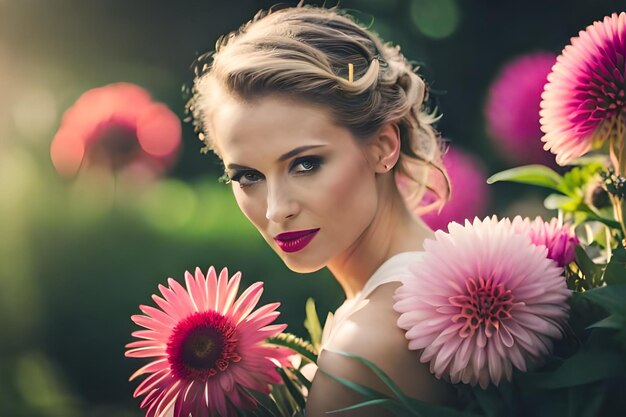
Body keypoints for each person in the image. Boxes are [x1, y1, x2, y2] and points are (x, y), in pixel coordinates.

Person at [188, 3, 456, 415]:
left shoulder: (365, 348)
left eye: (306, 164)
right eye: (247, 176)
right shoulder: (459, 276)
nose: (277, 210)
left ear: (383, 146)